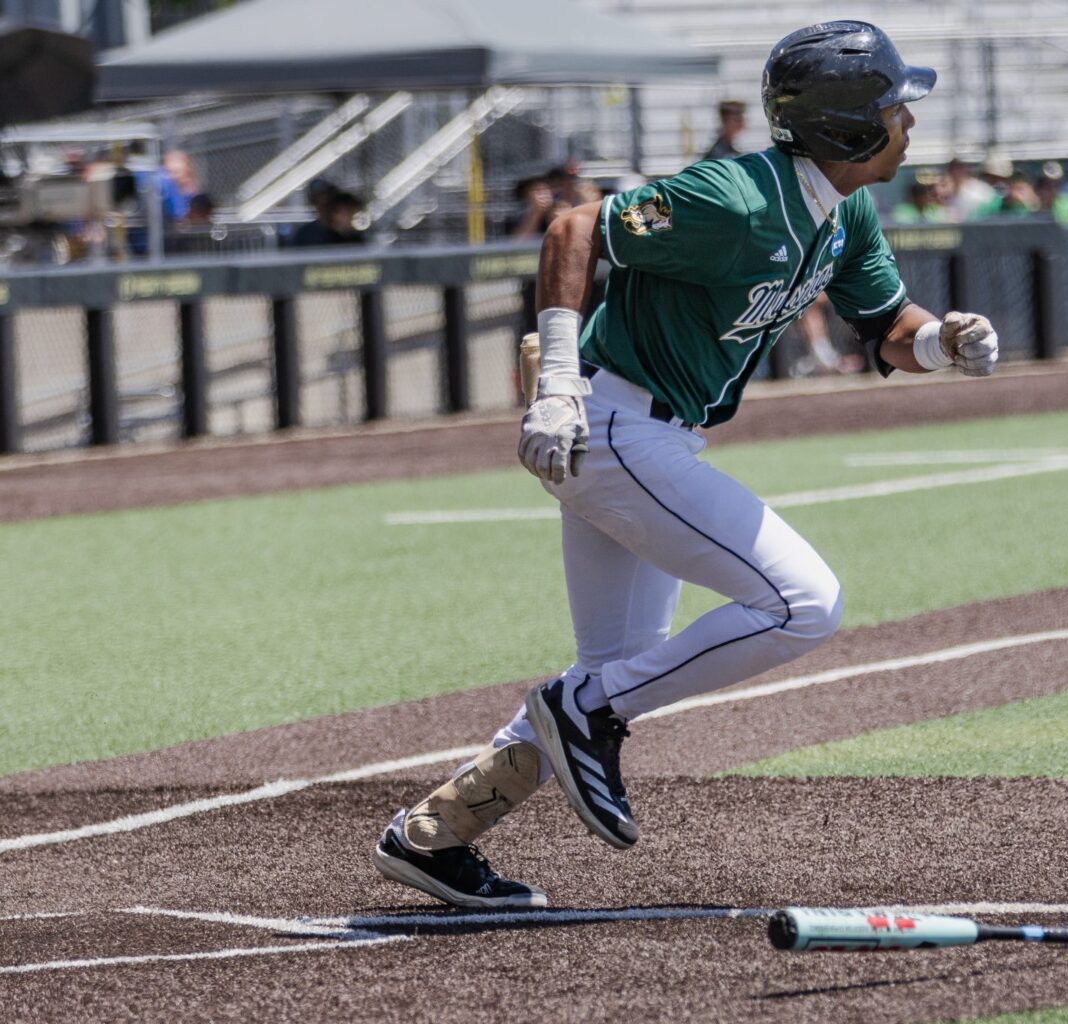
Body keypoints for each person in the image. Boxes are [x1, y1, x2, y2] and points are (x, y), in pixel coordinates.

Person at [369, 21, 1001, 909]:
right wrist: (555, 381)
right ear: (852, 129)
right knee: (803, 604)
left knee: (616, 666)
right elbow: (572, 229)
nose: (911, 122)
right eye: (898, 108)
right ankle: (586, 715)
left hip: (637, 436)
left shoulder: (846, 207)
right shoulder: (738, 198)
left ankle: (435, 835)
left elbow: (886, 328)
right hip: (610, 425)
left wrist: (943, 343)